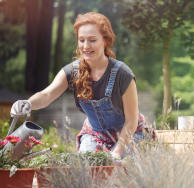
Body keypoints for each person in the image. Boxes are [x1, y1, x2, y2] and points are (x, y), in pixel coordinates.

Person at [10, 12, 149, 161]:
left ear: (106, 41)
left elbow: (131, 121)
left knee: (122, 169)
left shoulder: (123, 74)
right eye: (81, 40)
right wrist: (28, 103)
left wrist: (117, 151)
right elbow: (46, 95)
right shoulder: (72, 72)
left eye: (92, 40)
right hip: (95, 134)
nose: (86, 46)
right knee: (86, 169)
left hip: (130, 133)